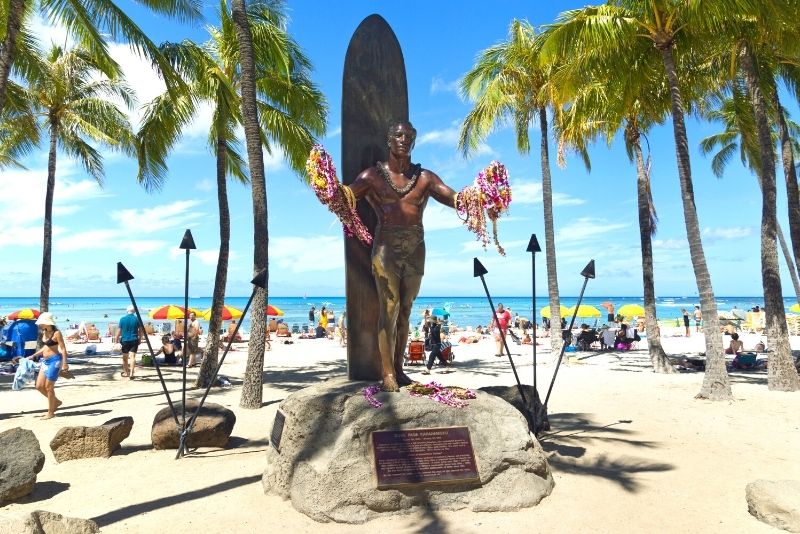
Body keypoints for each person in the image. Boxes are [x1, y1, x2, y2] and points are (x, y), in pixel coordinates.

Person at [346, 121, 459, 391]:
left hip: (416, 246)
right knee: (389, 309)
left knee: (406, 311)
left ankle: (399, 368)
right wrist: (326, 186)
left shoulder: (425, 178)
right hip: (386, 246)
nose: (403, 139)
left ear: (414, 142)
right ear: (389, 140)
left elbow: (453, 197)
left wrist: (480, 199)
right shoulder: (373, 176)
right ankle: (386, 373)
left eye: (409, 136)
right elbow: (347, 195)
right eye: (398, 135)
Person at [28, 312, 68, 419]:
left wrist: (65, 363)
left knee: (49, 387)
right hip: (45, 361)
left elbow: (63, 349)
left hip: (55, 361)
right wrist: (34, 355)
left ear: (47, 323)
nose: (40, 325)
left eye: (41, 323)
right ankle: (56, 402)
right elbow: (46, 347)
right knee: (39, 386)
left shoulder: (57, 333)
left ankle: (50, 412)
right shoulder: (43, 331)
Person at [118, 305, 142, 379]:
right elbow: (140, 331)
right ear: (134, 311)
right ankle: (131, 373)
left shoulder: (122, 319)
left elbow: (119, 331)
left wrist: (116, 339)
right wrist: (140, 339)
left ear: (127, 311)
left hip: (125, 340)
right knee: (132, 357)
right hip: (134, 339)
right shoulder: (137, 319)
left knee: (125, 358)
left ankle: (126, 372)